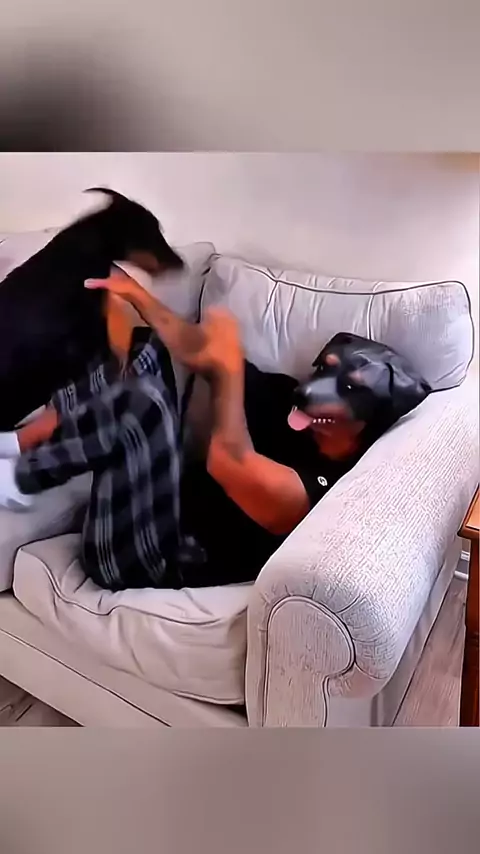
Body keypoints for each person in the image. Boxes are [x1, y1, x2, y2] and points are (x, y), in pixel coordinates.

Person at [0, 272, 365, 590]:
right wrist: (136, 294)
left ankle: (20, 479)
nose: (316, 388)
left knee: (141, 400)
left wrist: (227, 371)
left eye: (345, 386)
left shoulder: (326, 489)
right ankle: (17, 442)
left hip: (154, 559)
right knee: (140, 345)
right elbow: (196, 350)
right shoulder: (290, 400)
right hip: (156, 501)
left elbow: (228, 463)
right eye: (323, 369)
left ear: (368, 420)